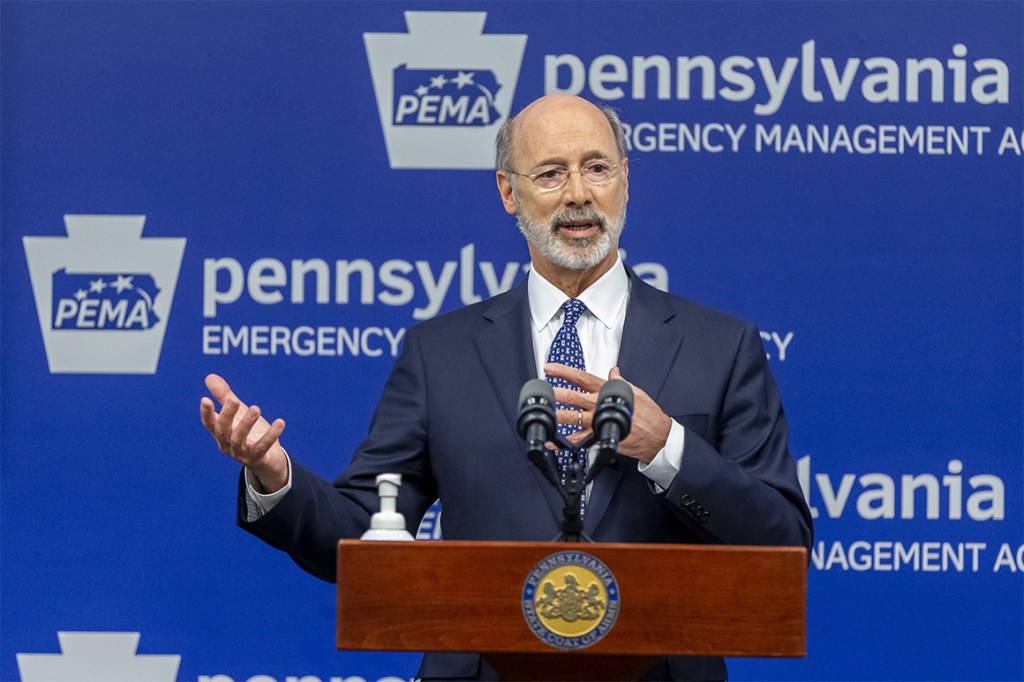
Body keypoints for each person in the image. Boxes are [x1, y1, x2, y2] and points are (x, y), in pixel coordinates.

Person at [200, 94, 813, 681]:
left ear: (626, 179)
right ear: (508, 192)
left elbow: (783, 545)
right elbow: (366, 534)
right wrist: (275, 477)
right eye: (550, 174)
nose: (578, 195)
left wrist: (667, 448)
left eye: (596, 168)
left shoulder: (720, 346)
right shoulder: (441, 353)